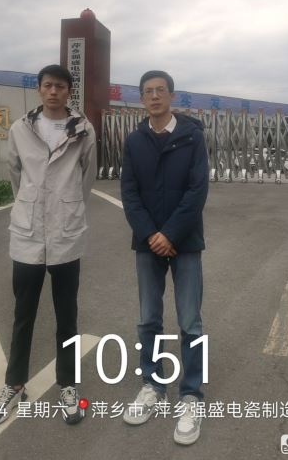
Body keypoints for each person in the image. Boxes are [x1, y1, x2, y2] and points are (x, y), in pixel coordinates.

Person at [0, 64, 96, 426]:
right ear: (39, 89)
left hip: (66, 234)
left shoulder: (82, 129)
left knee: (67, 315)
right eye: (48, 85)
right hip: (28, 234)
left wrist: (67, 206)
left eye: (60, 86)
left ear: (68, 91)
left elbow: (87, 177)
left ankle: (68, 384)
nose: (53, 91)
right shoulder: (21, 128)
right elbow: (15, 174)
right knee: (23, 314)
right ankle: (15, 383)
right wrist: (30, 205)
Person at [121, 70, 209, 445]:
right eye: (148, 92)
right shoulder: (134, 140)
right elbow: (129, 193)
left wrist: (170, 234)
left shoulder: (192, 136)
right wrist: (151, 235)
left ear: (172, 96)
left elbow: (197, 189)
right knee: (148, 318)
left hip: (184, 241)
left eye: (160, 90)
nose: (154, 96)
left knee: (190, 321)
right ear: (142, 99)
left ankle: (191, 396)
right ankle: (152, 386)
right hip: (147, 243)